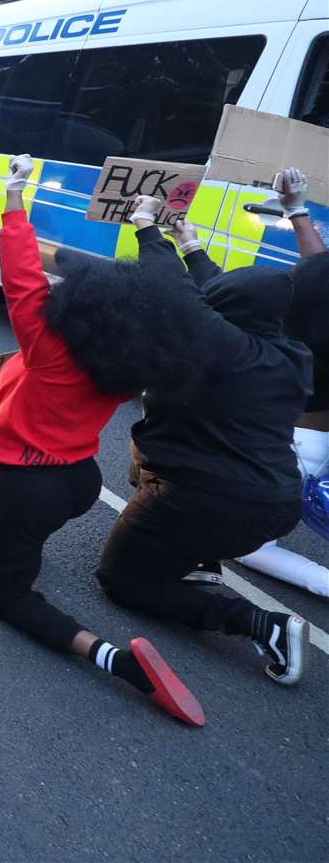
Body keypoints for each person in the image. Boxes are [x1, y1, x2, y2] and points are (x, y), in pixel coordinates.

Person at [0, 156, 208, 725]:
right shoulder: (130, 363)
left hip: (27, 483)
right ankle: (15, 545)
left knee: (0, 591)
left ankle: (113, 661)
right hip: (79, 479)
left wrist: (13, 195)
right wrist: (155, 231)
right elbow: (181, 299)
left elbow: (21, 274)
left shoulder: (48, 350)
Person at [95, 193, 312, 685]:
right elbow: (217, 290)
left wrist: (147, 227)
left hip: (214, 498)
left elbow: (181, 297)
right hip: (271, 497)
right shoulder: (285, 353)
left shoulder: (227, 349)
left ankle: (260, 623)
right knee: (144, 454)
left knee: (121, 579)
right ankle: (198, 556)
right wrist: (189, 242)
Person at [167, 167, 329, 597]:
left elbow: (223, 296)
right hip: (316, 443)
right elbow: (318, 266)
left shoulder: (275, 348)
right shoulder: (316, 310)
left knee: (249, 545)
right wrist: (297, 213)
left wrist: (189, 246)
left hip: (288, 445)